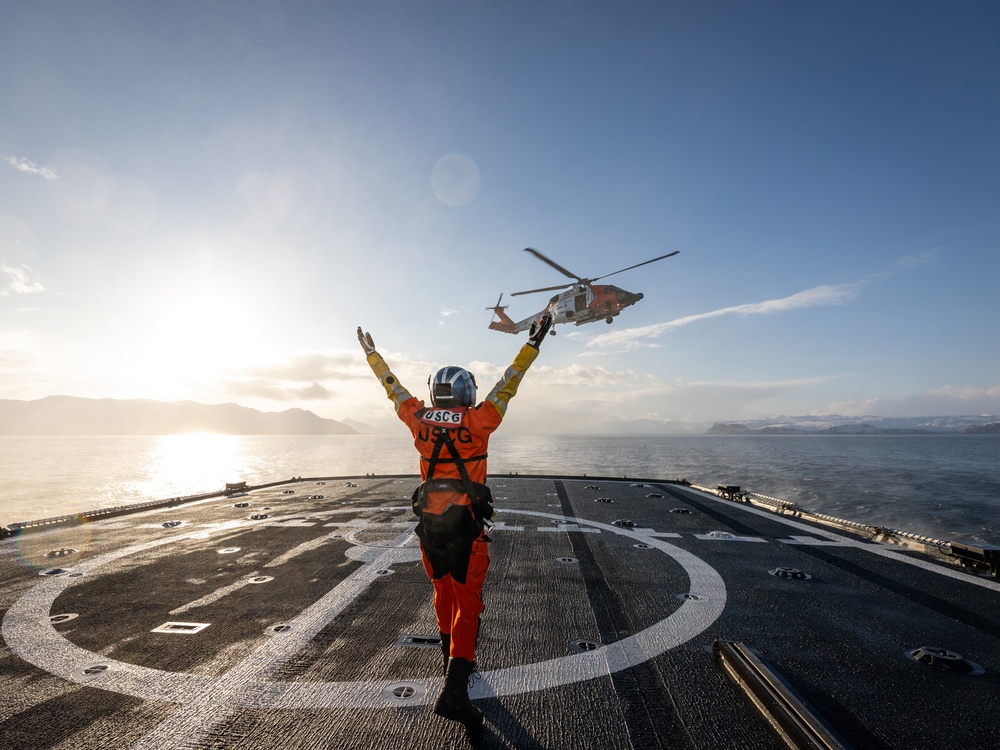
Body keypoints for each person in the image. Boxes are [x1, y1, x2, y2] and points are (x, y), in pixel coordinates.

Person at [357, 313, 552, 733]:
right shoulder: (480, 421)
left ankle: (449, 662)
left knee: (442, 593)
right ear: (466, 391)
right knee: (469, 604)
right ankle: (456, 690)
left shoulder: (418, 419)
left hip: (429, 531)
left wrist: (373, 356)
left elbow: (393, 389)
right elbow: (509, 382)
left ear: (435, 392)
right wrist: (533, 344)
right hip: (466, 532)